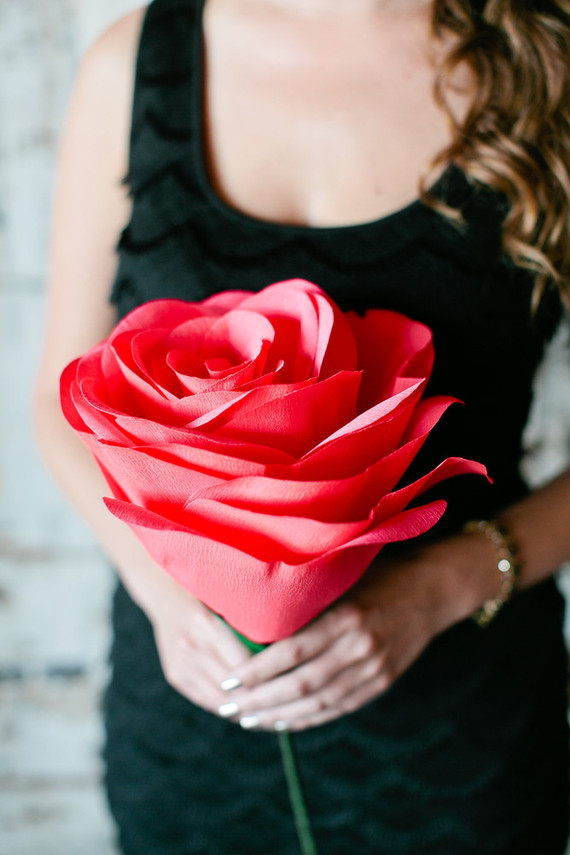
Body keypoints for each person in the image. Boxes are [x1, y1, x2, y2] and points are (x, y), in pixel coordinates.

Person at [35, 0, 570, 852]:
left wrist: (441, 587)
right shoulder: (135, 64)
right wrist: (164, 592)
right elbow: (58, 400)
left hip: (464, 739)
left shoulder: (548, 59)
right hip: (195, 724)